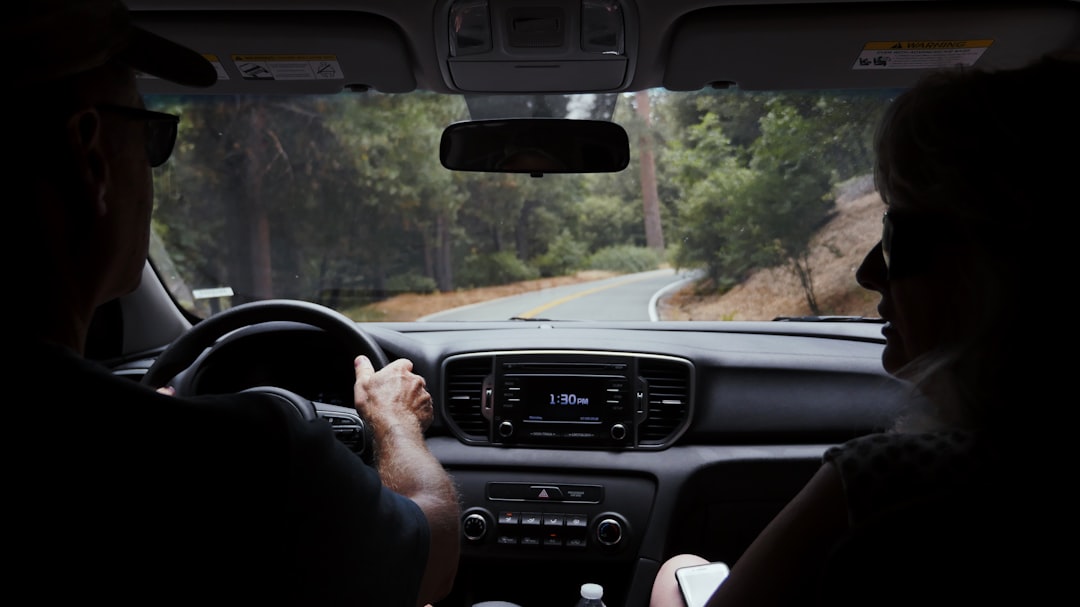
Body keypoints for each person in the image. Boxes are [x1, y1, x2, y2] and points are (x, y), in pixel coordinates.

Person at [7, 2, 460, 605]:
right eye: (149, 135)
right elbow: (432, 552)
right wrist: (395, 423)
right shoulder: (248, 460)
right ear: (91, 159)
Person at [649, 51, 1078, 606]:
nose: (868, 271)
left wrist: (673, 580)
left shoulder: (889, 482)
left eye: (901, 235)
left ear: (1004, 265)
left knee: (678, 570)